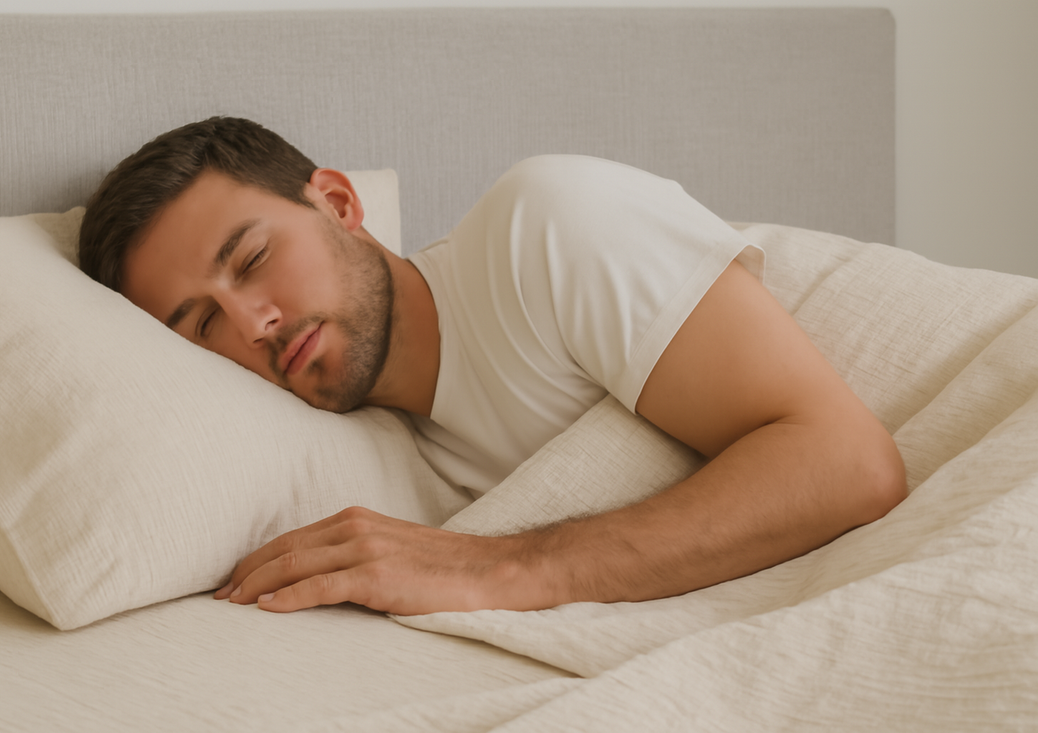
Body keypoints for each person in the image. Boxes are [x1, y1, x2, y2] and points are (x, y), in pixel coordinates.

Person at [79, 116, 907, 617]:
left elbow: (848, 461)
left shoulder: (542, 226)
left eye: (254, 257)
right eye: (200, 325)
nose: (251, 323)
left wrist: (503, 566)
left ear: (337, 202)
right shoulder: (382, 447)